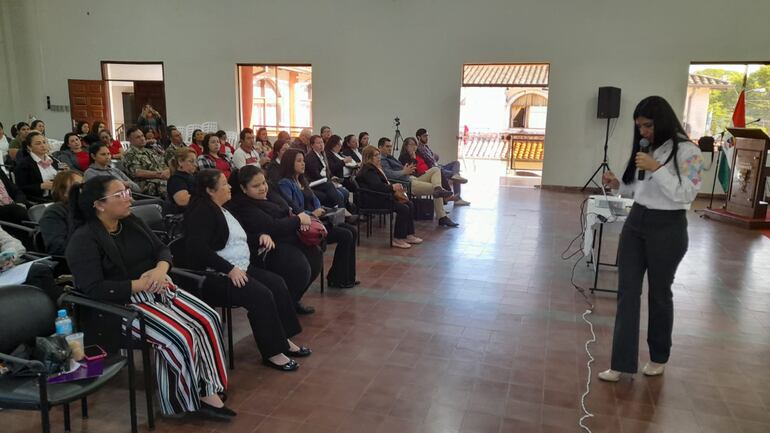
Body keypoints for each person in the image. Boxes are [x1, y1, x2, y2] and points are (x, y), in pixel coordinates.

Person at [65, 175, 234, 420]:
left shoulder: (131, 221)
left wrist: (161, 269)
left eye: (127, 191)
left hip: (156, 287)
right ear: (99, 205)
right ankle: (182, 401)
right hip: (118, 306)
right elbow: (94, 289)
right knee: (180, 335)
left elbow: (162, 249)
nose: (129, 198)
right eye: (120, 195)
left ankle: (208, 387)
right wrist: (139, 284)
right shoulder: (83, 240)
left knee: (208, 318)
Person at [598, 96, 704, 382]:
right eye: (639, 127)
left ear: (663, 121)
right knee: (627, 292)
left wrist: (657, 169)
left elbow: (686, 195)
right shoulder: (647, 149)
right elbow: (637, 190)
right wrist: (619, 184)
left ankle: (659, 357)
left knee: (659, 294)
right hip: (636, 223)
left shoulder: (689, 152)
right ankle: (620, 363)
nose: (643, 132)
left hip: (668, 228)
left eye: (648, 125)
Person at [183, 169, 311, 371]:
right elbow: (197, 250)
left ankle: (283, 340)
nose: (230, 187)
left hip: (237, 266)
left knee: (277, 284)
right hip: (213, 275)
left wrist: (259, 235)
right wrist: (229, 269)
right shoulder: (202, 212)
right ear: (209, 190)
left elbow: (234, 237)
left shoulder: (220, 207)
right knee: (261, 295)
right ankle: (273, 352)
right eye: (224, 184)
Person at [227, 166, 322, 315]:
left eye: (263, 183)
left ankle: (292, 300)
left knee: (315, 256)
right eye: (256, 186)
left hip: (289, 234)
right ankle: (283, 307)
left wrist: (300, 215)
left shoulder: (270, 190)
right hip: (267, 246)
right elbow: (271, 226)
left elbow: (288, 205)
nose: (262, 188)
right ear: (243, 188)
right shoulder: (242, 204)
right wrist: (298, 220)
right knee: (300, 269)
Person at [278, 149, 358, 288]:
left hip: (318, 219)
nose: (303, 164)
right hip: (305, 225)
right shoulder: (285, 183)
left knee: (352, 231)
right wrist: (312, 213)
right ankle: (336, 278)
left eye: (303, 160)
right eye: (299, 161)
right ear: (289, 163)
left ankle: (347, 276)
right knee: (345, 235)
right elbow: (292, 209)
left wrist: (321, 209)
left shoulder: (302, 180)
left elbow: (315, 200)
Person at [380, 137, 458, 227]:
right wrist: (404, 171)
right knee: (436, 189)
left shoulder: (390, 157)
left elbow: (412, 169)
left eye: (390, 146)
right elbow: (389, 174)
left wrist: (407, 168)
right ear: (380, 147)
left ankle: (438, 189)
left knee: (436, 169)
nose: (389, 148)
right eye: (387, 146)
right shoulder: (383, 159)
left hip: (412, 178)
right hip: (407, 184)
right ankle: (442, 217)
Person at [356, 146, 422, 249]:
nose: (379, 157)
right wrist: (392, 187)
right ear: (369, 157)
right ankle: (397, 239)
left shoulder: (375, 168)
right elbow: (377, 187)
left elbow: (382, 184)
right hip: (373, 200)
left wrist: (393, 187)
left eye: (379, 155)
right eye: (376, 155)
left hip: (380, 196)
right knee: (403, 208)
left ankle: (408, 234)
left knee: (409, 204)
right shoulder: (368, 170)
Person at [0, 225, 59, 300]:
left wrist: (8, 256)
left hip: (4, 271)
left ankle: (53, 307)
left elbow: (12, 243)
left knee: (40, 270)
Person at [415, 128, 470, 206]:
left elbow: (434, 158)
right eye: (424, 136)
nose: (427, 138)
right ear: (418, 137)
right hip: (434, 169)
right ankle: (457, 199)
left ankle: (455, 175)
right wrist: (434, 156)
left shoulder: (426, 147)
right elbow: (430, 160)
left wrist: (434, 156)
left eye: (427, 136)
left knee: (456, 163)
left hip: (439, 166)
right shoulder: (419, 149)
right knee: (456, 176)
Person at [39, 170, 82, 255]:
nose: (84, 189)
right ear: (64, 192)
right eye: (78, 186)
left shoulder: (88, 207)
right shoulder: (54, 212)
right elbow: (57, 248)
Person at [14, 131, 64, 200]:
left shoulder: (53, 160)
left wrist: (65, 173)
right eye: (38, 143)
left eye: (44, 142)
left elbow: (61, 172)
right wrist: (41, 186)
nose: (43, 145)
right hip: (41, 199)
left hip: (60, 194)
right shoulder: (23, 165)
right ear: (29, 147)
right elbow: (21, 188)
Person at [122, 126, 169, 197]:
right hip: (144, 184)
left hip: (160, 179)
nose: (142, 139)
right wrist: (160, 174)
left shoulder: (150, 151)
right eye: (138, 137)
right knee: (168, 186)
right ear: (130, 140)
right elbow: (137, 173)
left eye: (142, 136)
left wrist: (168, 172)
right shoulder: (129, 154)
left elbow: (163, 164)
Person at [305, 135, 347, 208]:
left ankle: (344, 210)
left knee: (344, 191)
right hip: (315, 182)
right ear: (312, 145)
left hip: (324, 181)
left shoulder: (322, 155)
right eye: (318, 143)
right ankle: (342, 211)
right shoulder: (310, 157)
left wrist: (331, 177)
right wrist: (329, 180)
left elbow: (326, 170)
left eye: (322, 142)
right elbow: (316, 175)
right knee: (339, 193)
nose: (321, 145)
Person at [167, 147, 197, 213]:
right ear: (180, 162)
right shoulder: (176, 179)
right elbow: (183, 201)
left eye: (195, 161)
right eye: (191, 161)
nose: (195, 164)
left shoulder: (192, 176)